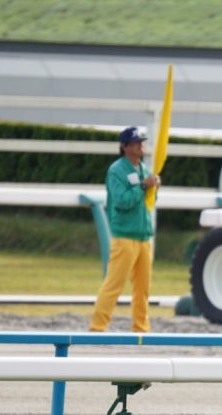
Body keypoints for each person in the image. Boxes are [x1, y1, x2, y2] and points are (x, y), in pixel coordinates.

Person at [89, 126, 161, 332]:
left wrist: (153, 189)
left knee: (143, 288)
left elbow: (148, 202)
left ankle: (141, 327)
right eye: (136, 143)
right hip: (124, 237)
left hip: (144, 236)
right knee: (114, 285)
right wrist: (143, 187)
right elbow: (121, 201)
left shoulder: (143, 169)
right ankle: (97, 327)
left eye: (141, 142)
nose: (141, 146)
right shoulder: (116, 170)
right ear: (125, 146)